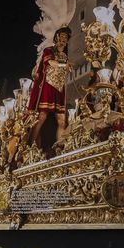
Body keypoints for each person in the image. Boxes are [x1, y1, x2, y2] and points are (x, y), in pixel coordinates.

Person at [27, 27, 71, 155]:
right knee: (41, 116)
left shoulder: (65, 56)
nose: (63, 40)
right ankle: (28, 147)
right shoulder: (48, 50)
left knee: (62, 120)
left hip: (59, 90)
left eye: (65, 38)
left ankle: (60, 149)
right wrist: (64, 65)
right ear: (56, 38)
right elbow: (51, 63)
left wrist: (67, 66)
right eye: (61, 37)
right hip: (48, 87)